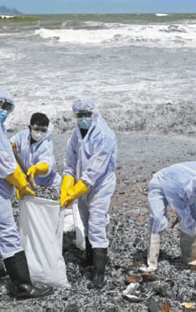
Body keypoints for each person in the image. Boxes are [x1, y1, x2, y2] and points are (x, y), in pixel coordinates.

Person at [0, 89, 52, 299]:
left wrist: (23, 176)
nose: (5, 111)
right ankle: (22, 285)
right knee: (7, 230)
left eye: (8, 108)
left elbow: (8, 153)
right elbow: (4, 165)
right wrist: (22, 185)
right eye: (2, 107)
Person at [60, 98, 117, 289]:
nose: (83, 118)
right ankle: (89, 259)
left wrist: (74, 193)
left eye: (87, 115)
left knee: (96, 223)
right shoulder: (76, 134)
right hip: (81, 184)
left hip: (100, 185)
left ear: (94, 114)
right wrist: (67, 185)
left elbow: (94, 171)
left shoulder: (104, 135)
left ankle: (99, 274)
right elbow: (69, 162)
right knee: (85, 221)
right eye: (80, 115)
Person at [139, 162, 196, 272]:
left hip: (183, 183)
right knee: (157, 219)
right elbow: (185, 217)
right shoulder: (177, 193)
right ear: (192, 193)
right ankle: (152, 262)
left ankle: (190, 259)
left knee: (195, 217)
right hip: (161, 183)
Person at [11, 112, 62, 190]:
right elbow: (11, 144)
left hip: (49, 185)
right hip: (30, 184)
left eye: (43, 130)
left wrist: (36, 169)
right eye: (36, 129)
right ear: (29, 127)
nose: (39, 133)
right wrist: (11, 145)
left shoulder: (46, 143)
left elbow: (46, 163)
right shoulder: (22, 136)